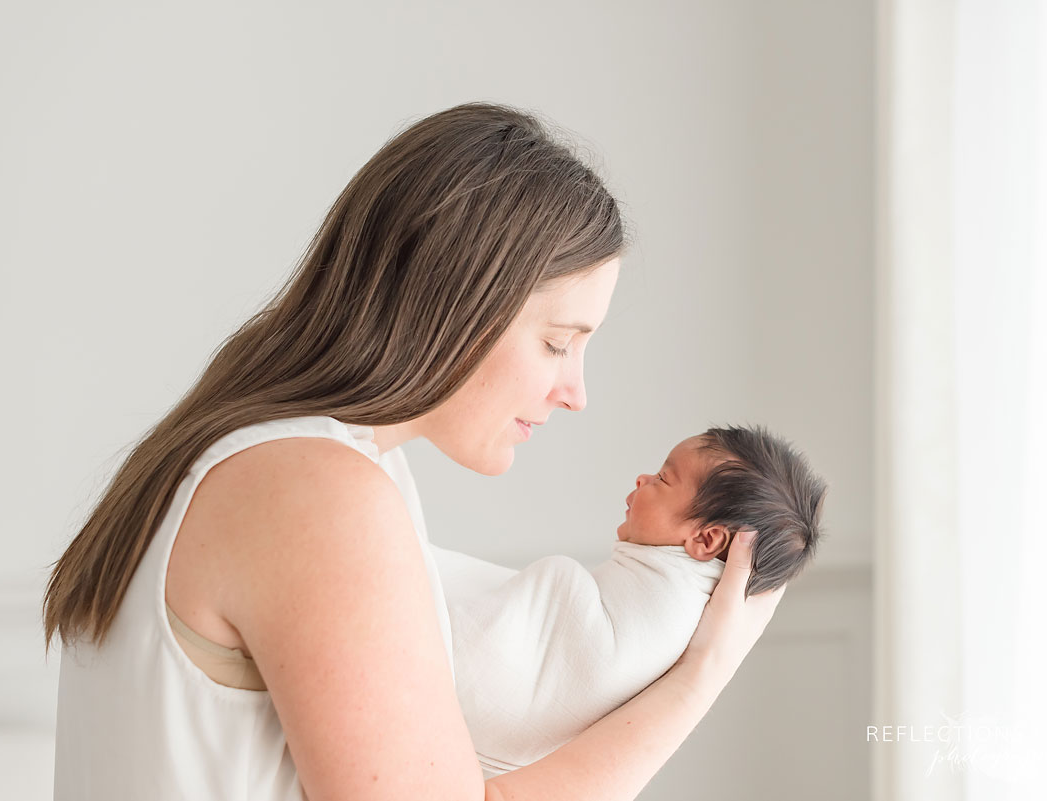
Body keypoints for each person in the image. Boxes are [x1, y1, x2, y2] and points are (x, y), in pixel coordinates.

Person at [42, 100, 788, 801]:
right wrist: (701, 679)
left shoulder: (257, 449)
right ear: (460, 300)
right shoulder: (315, 489)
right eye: (559, 342)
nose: (575, 391)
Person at [432, 424, 827, 776]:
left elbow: (582, 659)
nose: (642, 479)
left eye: (662, 478)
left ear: (706, 539)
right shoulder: (691, 606)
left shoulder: (673, 610)